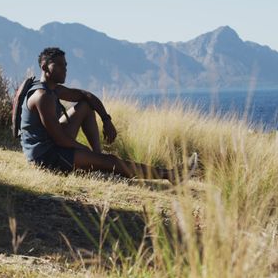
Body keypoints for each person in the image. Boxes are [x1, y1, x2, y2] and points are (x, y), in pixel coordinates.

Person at [19, 47, 197, 182]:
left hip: (51, 146)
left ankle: (99, 161)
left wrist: (106, 119)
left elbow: (86, 96)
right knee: (110, 160)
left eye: (65, 65)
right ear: (44, 67)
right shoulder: (42, 96)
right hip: (45, 158)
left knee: (86, 106)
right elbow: (59, 139)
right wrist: (84, 150)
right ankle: (169, 175)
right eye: (58, 66)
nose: (64, 69)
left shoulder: (54, 90)